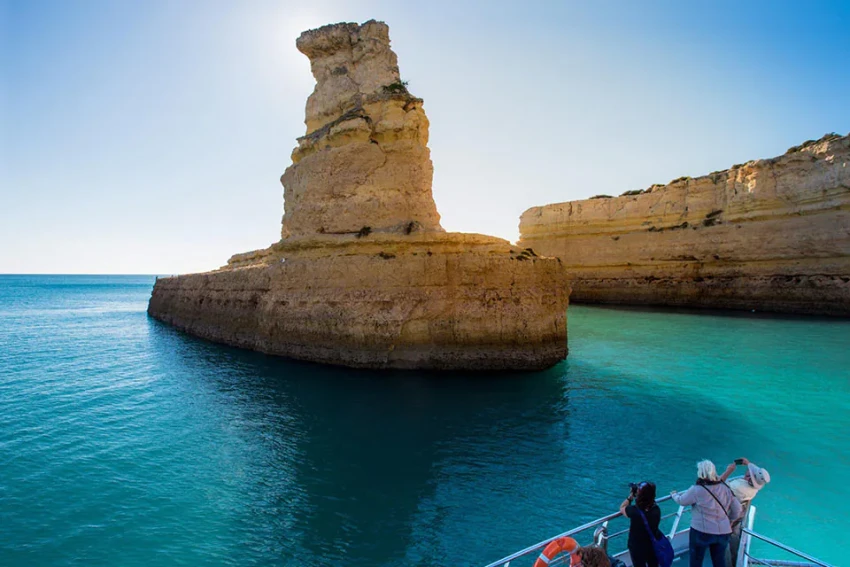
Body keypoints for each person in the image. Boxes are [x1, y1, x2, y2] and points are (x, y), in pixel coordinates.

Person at [671, 460, 743, 567]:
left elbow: (682, 501)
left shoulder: (697, 490)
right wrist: (730, 521)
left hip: (701, 532)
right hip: (723, 532)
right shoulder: (725, 488)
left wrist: (674, 495)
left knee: (696, 560)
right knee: (719, 561)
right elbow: (737, 509)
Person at [719, 458, 771, 565]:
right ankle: (735, 560)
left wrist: (729, 471)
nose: (747, 471)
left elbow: (716, 486)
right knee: (734, 537)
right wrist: (748, 463)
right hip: (740, 513)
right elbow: (757, 473)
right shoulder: (754, 488)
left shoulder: (738, 487)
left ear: (749, 477)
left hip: (728, 514)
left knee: (723, 540)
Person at [619, 481, 661, 567]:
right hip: (652, 543)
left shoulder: (634, 511)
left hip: (637, 546)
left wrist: (630, 497)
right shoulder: (656, 509)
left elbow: (622, 507)